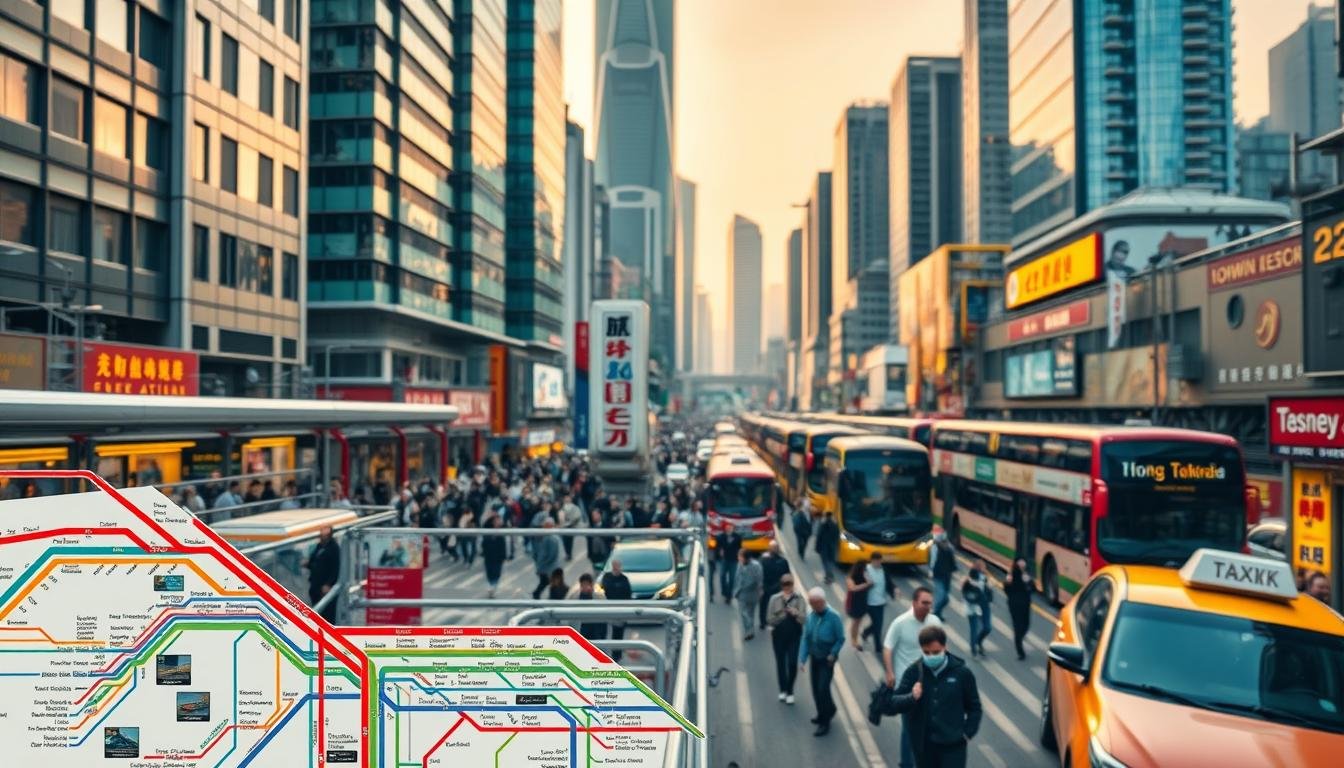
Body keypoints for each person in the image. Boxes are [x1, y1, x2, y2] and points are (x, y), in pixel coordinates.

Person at [889, 625, 983, 768]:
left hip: (953, 747)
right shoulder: (913, 672)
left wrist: (967, 733)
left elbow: (974, 707)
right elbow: (894, 703)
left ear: (945, 647)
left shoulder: (962, 674)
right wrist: (911, 697)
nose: (931, 656)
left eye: (936, 652)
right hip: (924, 748)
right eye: (926, 652)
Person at [883, 587, 944, 768]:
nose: (927, 606)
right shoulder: (900, 623)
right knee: (909, 727)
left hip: (931, 683)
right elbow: (888, 647)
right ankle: (906, 764)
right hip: (907, 684)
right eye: (924, 603)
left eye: (930, 603)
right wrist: (890, 672)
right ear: (914, 603)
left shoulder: (935, 622)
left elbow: (942, 647)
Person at [798, 586, 845, 737]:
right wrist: (802, 658)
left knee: (822, 689)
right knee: (815, 688)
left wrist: (833, 653)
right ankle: (825, 711)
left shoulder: (834, 617)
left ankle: (825, 722)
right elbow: (806, 638)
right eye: (810, 603)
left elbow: (840, 639)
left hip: (827, 659)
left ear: (822, 602)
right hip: (815, 656)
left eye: (813, 603)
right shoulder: (811, 615)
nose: (811, 606)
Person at [766, 573, 805, 704]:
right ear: (781, 585)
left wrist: (796, 613)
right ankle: (783, 690)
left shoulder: (799, 599)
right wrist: (783, 614)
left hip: (794, 636)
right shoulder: (774, 599)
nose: (787, 587)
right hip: (779, 636)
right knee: (780, 663)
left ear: (793, 584)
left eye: (789, 584)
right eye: (784, 584)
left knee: (792, 663)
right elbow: (769, 619)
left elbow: (804, 619)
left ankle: (790, 690)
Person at [303, 526, 341, 623]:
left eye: (324, 535)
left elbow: (336, 568)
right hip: (316, 583)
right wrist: (308, 564)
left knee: (327, 612)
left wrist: (329, 584)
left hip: (325, 585)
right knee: (317, 607)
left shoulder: (334, 548)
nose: (322, 536)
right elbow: (314, 560)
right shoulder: (320, 546)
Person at [860, 552, 892, 657]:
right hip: (869, 602)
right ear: (872, 560)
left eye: (879, 561)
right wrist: (867, 584)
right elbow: (860, 581)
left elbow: (888, 582)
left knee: (878, 624)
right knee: (877, 625)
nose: (878, 563)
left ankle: (866, 632)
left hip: (881, 602)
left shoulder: (884, 569)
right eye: (876, 561)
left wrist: (894, 589)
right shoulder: (866, 569)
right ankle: (878, 647)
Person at [599, 559, 633, 660]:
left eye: (618, 566)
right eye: (615, 565)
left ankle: (617, 654)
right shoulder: (607, 577)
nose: (617, 568)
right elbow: (602, 590)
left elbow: (628, 594)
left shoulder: (624, 579)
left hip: (620, 610)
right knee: (603, 631)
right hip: (607, 609)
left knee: (618, 633)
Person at [1003, 559, 1035, 660]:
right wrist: (1007, 583)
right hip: (1015, 605)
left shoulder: (1026, 576)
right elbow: (1006, 590)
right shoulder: (1011, 575)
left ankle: (1019, 639)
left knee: (1026, 624)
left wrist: (1028, 581)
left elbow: (1033, 589)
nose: (1022, 567)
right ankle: (1020, 651)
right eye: (1021, 565)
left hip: (1025, 604)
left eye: (1023, 565)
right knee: (1017, 626)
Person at [961, 558, 992, 657]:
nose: (983, 568)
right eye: (981, 567)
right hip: (973, 606)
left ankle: (978, 641)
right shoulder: (969, 578)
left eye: (983, 567)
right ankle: (974, 649)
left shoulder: (986, 578)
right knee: (974, 628)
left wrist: (989, 596)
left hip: (984, 605)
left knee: (987, 628)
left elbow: (989, 592)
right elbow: (964, 592)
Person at [758, 540, 792, 630]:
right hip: (778, 587)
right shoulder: (783, 561)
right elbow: (787, 575)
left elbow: (759, 574)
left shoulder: (763, 560)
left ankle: (763, 622)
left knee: (764, 605)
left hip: (766, 586)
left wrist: (759, 587)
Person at [567, 573, 608, 640]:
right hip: (580, 629)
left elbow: (604, 615)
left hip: (596, 629)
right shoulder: (574, 597)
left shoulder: (599, 597)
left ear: (591, 585)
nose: (585, 587)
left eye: (587, 584)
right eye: (583, 584)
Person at [734, 549, 764, 641]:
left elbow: (759, 579)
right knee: (744, 613)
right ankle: (748, 630)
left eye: (740, 557)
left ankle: (750, 630)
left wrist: (760, 590)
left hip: (752, 593)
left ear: (745, 558)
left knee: (750, 612)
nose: (738, 558)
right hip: (742, 592)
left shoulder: (756, 566)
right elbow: (737, 578)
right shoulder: (740, 564)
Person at [530, 520, 563, 599]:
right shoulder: (548, 537)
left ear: (549, 526)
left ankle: (538, 594)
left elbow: (551, 554)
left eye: (544, 526)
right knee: (547, 582)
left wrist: (543, 563)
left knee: (547, 582)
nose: (542, 527)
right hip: (547, 566)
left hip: (548, 567)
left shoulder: (550, 538)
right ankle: (539, 595)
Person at [929, 529, 956, 619]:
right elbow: (933, 560)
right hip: (938, 574)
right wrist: (931, 571)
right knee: (941, 595)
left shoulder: (949, 547)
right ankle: (934, 613)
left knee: (946, 598)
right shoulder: (935, 547)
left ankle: (937, 612)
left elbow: (952, 557)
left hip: (947, 575)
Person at [844, 561, 872, 649]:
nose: (865, 571)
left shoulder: (864, 577)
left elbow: (871, 583)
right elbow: (853, 588)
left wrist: (866, 577)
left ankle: (855, 638)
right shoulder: (850, 578)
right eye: (864, 569)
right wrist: (865, 585)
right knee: (855, 622)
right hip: (853, 603)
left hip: (863, 602)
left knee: (858, 622)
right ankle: (854, 640)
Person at [481, 514, 508, 598]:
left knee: (496, 573)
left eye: (499, 520)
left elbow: (503, 545)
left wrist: (504, 557)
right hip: (488, 556)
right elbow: (483, 543)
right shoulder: (487, 529)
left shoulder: (502, 531)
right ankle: (491, 587)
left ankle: (492, 588)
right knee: (489, 573)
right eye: (496, 521)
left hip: (498, 557)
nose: (498, 522)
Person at [717, 528, 742, 603]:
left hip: (733, 560)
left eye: (730, 527)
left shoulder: (737, 537)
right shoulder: (722, 536)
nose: (729, 528)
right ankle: (724, 591)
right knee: (722, 576)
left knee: (732, 578)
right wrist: (720, 550)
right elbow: (718, 544)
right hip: (725, 559)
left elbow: (739, 547)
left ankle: (729, 595)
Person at [814, 511, 840, 583]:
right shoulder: (835, 525)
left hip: (824, 546)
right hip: (832, 547)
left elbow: (819, 536)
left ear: (826, 516)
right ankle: (829, 575)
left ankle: (829, 576)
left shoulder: (823, 524)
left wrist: (817, 547)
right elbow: (837, 537)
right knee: (830, 561)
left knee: (825, 562)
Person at [559, 493, 584, 560]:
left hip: (571, 526)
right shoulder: (562, 507)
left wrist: (572, 521)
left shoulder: (575, 507)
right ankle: (567, 553)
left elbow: (577, 516)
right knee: (564, 541)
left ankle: (569, 554)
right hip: (564, 526)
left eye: (568, 498)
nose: (567, 499)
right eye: (565, 498)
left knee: (570, 541)